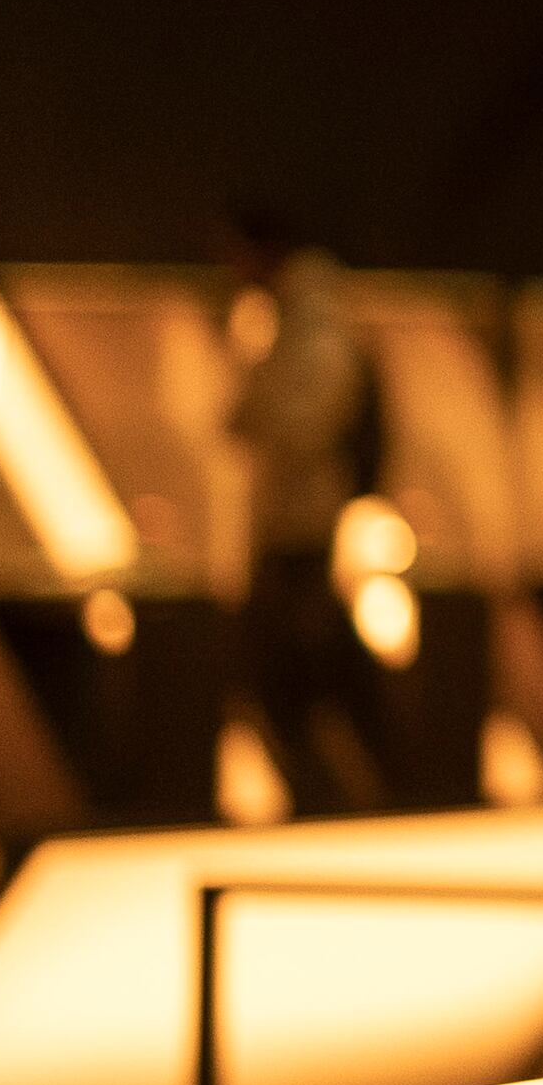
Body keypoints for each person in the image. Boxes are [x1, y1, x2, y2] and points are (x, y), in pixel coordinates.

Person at [223, 203, 386, 815]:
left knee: (300, 674)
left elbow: (307, 424)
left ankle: (341, 800)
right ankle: (331, 797)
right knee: (296, 673)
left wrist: (259, 405)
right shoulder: (294, 320)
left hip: (307, 528)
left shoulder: (314, 324)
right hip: (296, 525)